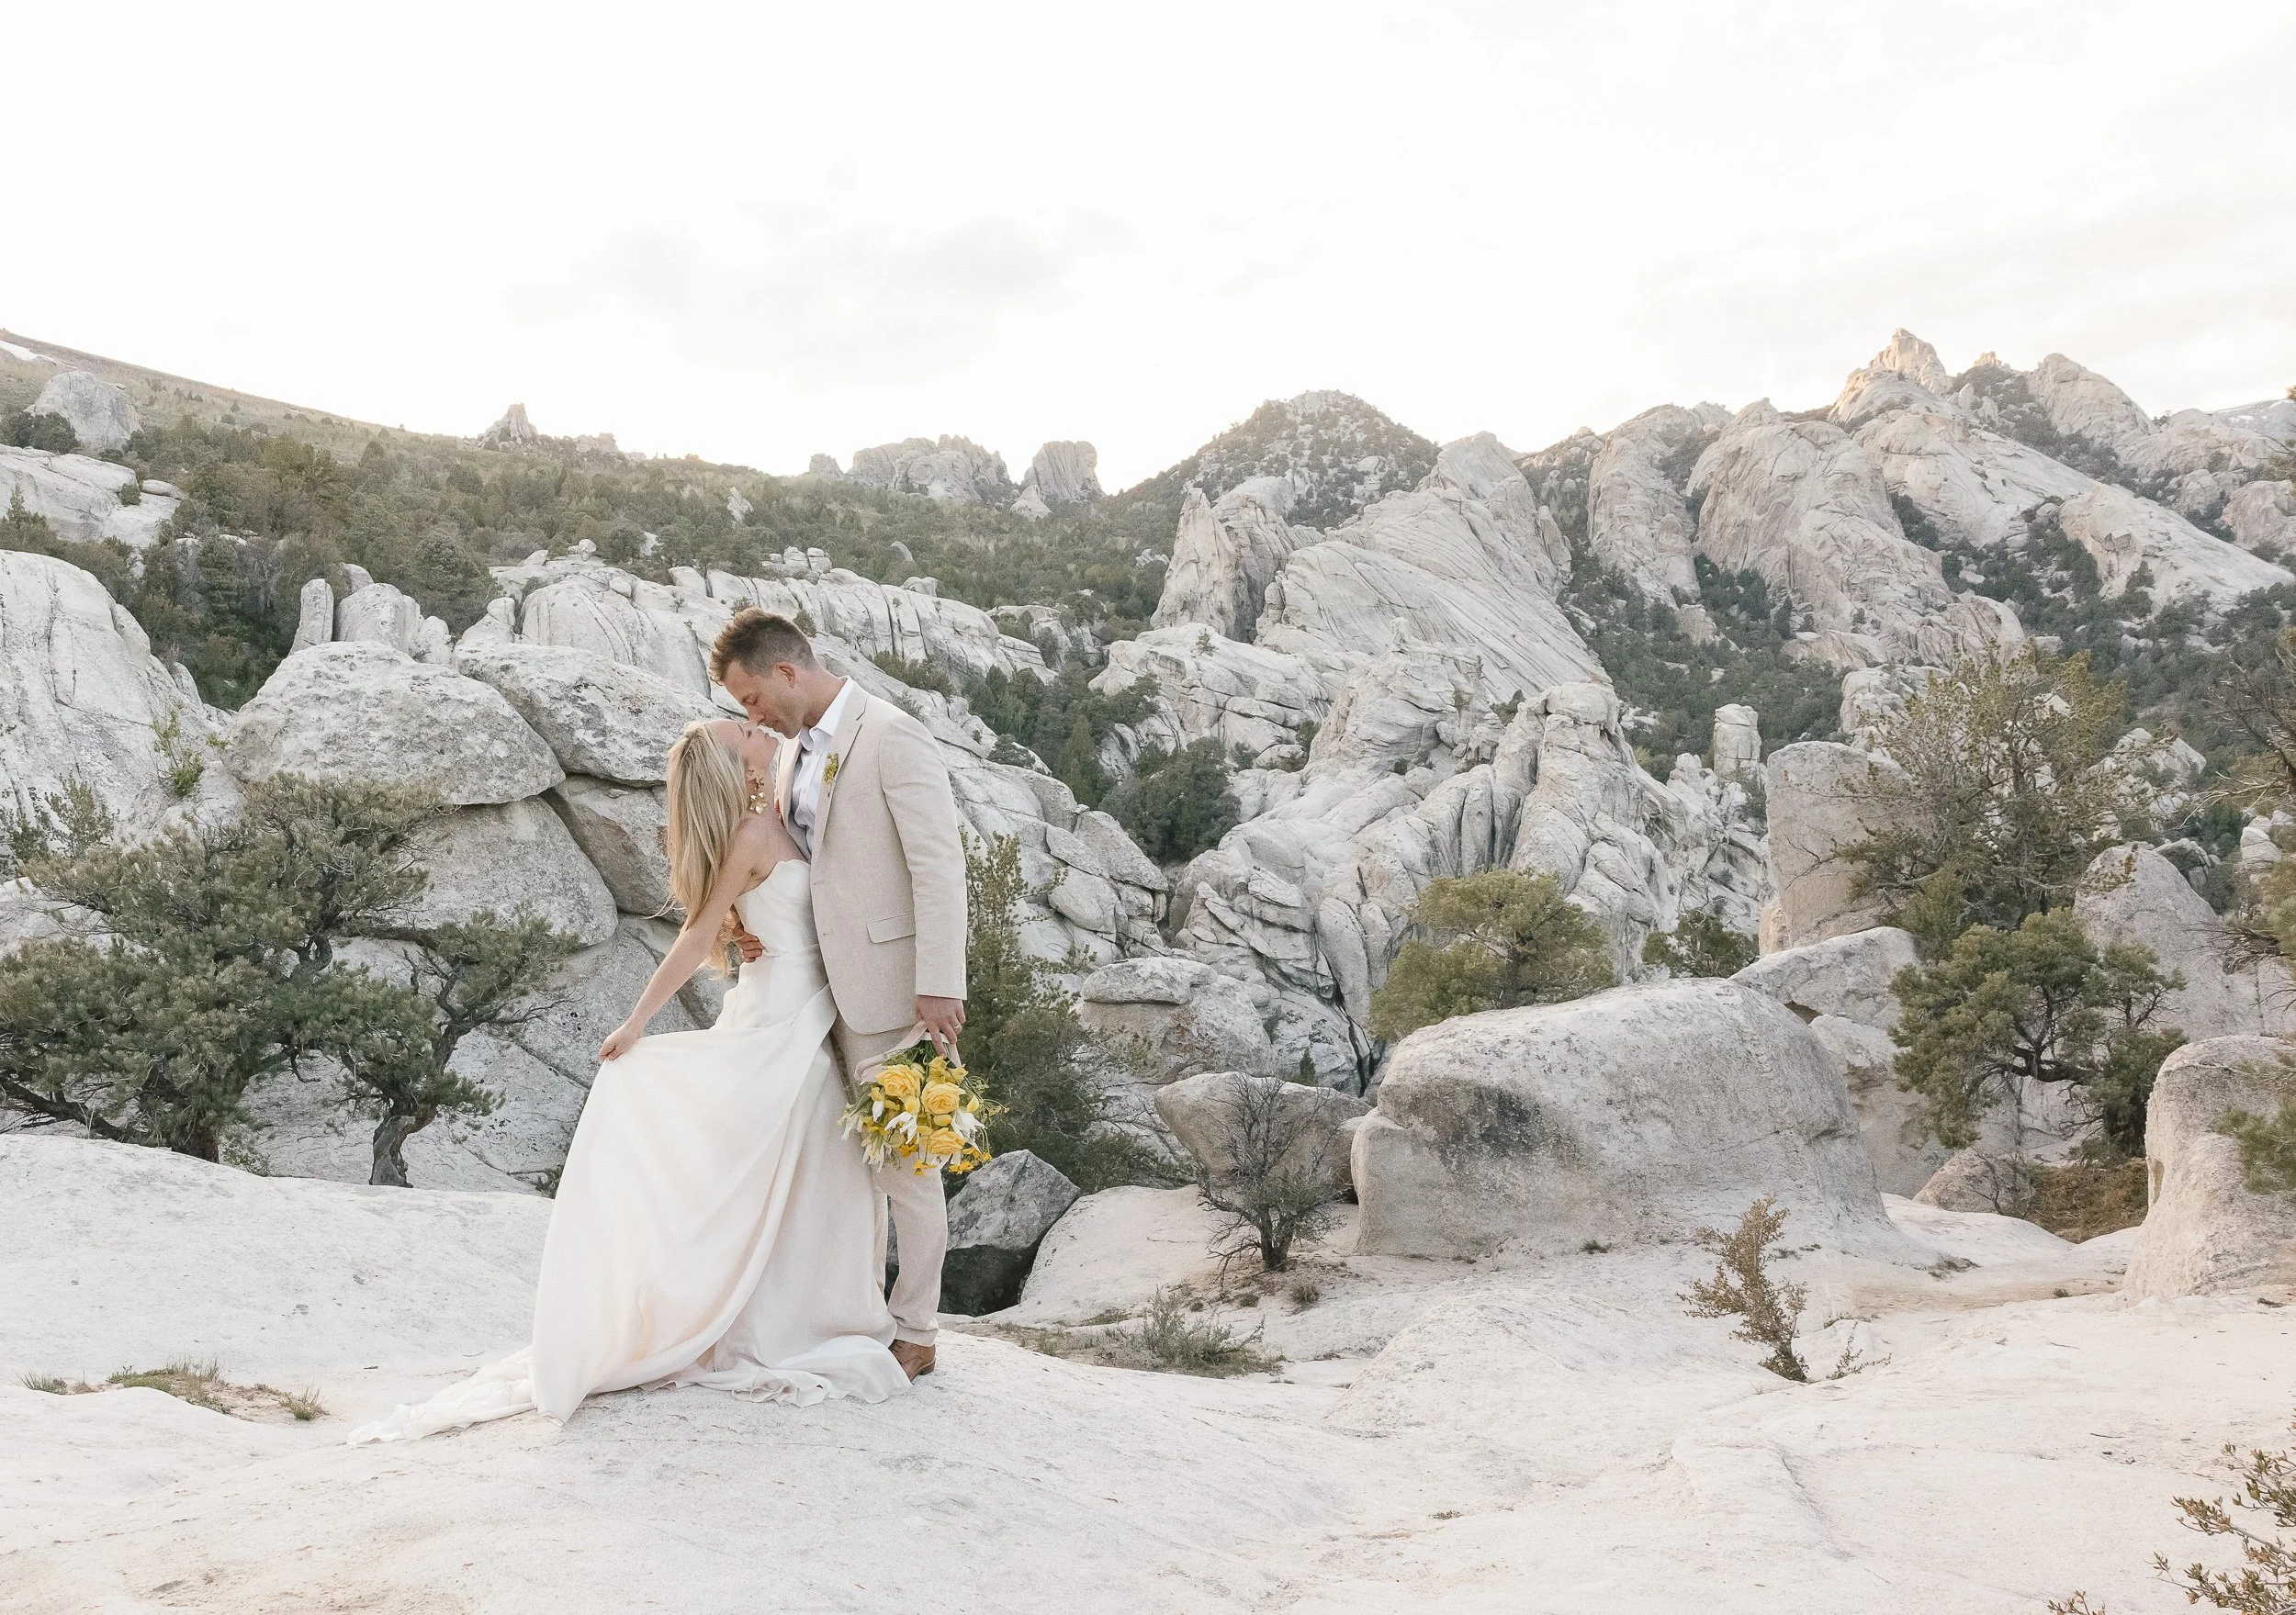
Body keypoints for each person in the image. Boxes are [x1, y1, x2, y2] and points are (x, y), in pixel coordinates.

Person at [346, 719, 908, 1442]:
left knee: (815, 1168)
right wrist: (639, 1020)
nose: (758, 730)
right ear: (739, 768)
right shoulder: (748, 836)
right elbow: (697, 934)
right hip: (779, 1020)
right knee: (787, 1162)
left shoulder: (781, 814)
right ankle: (770, 1320)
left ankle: (805, 1308)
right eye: (745, 732)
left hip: (810, 1009)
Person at [708, 609, 967, 1381]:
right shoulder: (789, 755)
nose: (752, 716)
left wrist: (938, 985)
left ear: (788, 672)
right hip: (813, 992)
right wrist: (744, 925)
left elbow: (938, 865)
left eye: (754, 699)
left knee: (909, 1160)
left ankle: (917, 1328)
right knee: (851, 1168)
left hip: (893, 991)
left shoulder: (892, 735)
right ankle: (858, 1311)